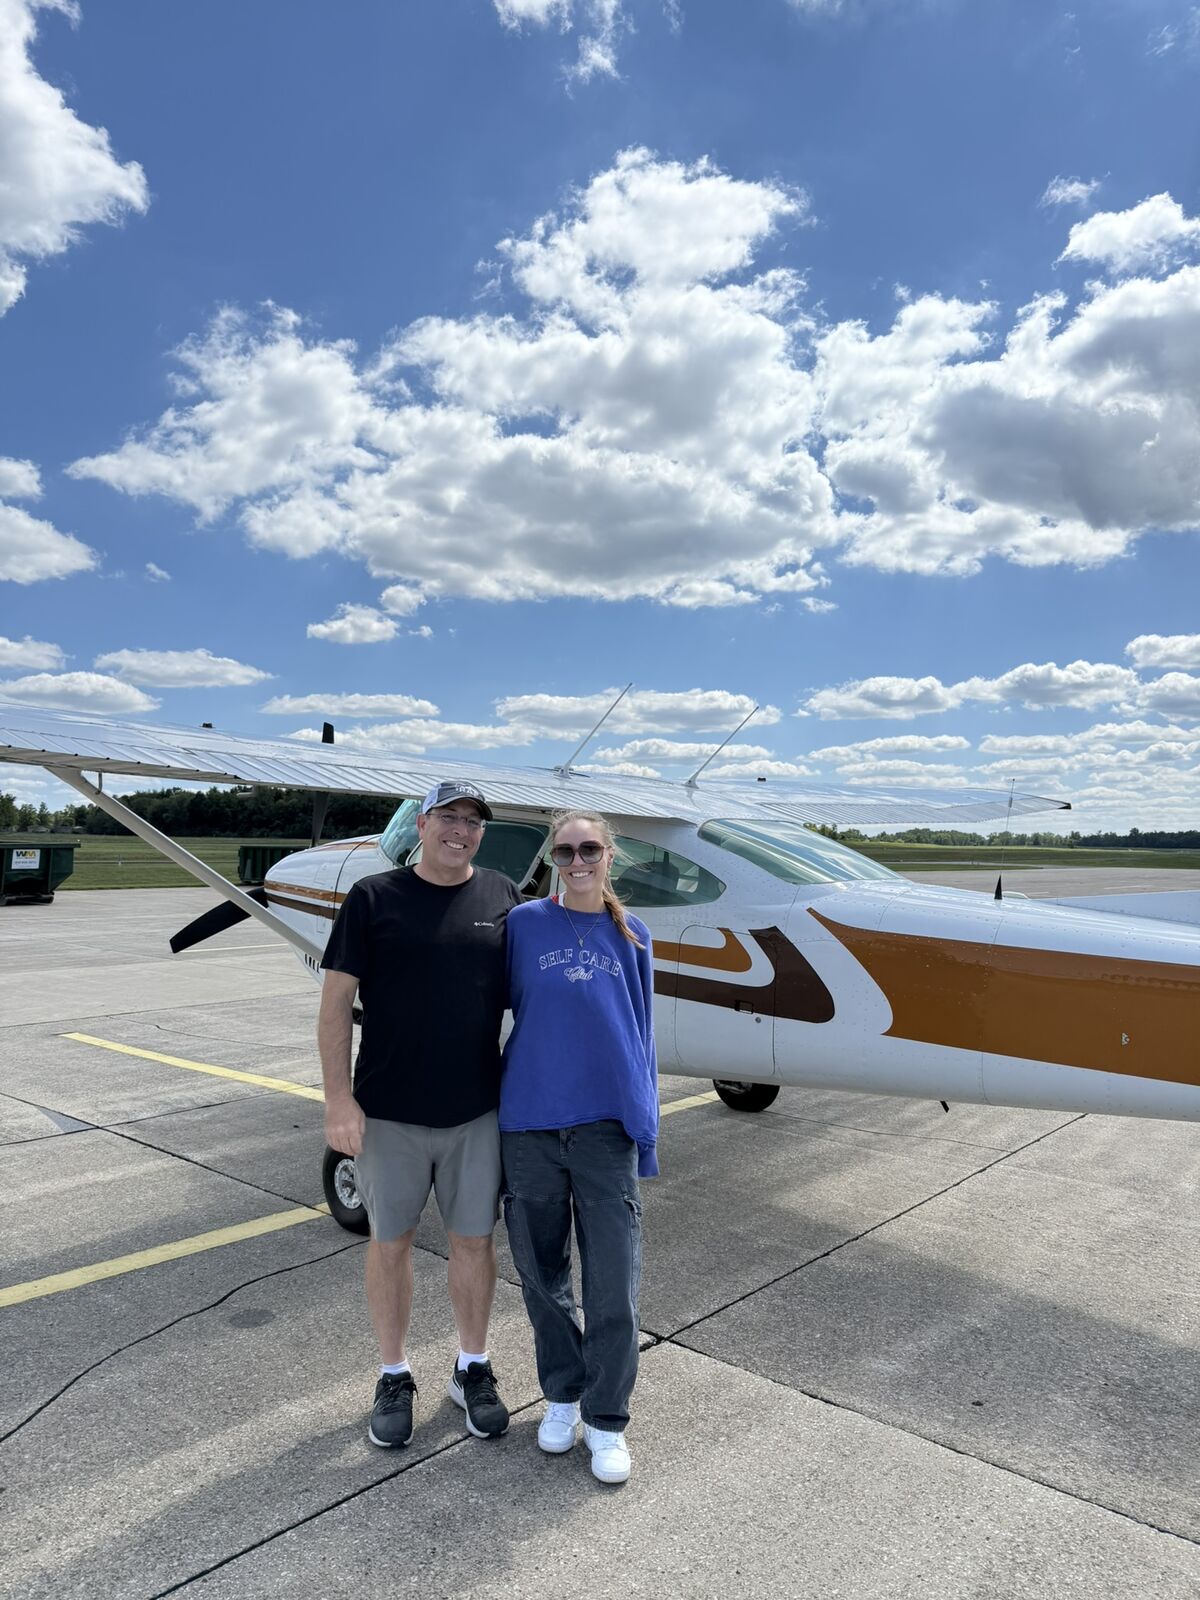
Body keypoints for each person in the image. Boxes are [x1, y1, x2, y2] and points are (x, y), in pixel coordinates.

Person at [318, 780, 521, 1449]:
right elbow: (333, 1006)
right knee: (390, 1243)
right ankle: (393, 1372)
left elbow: (534, 1000)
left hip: (475, 1113)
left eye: (474, 822)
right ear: (424, 824)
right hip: (388, 1114)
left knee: (474, 1243)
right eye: (449, 818)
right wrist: (339, 1099)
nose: (460, 830)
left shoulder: (501, 896)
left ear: (481, 835)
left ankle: (472, 1366)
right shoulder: (374, 898)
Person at [499, 809, 657, 1485]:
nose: (577, 859)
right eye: (565, 850)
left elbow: (642, 1038)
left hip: (604, 1131)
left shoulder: (633, 935)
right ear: (553, 858)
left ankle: (607, 1417)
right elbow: (488, 1012)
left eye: (589, 848)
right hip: (530, 1123)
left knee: (613, 1284)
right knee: (542, 1275)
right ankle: (561, 1394)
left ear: (609, 855)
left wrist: (645, 1132)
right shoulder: (523, 926)